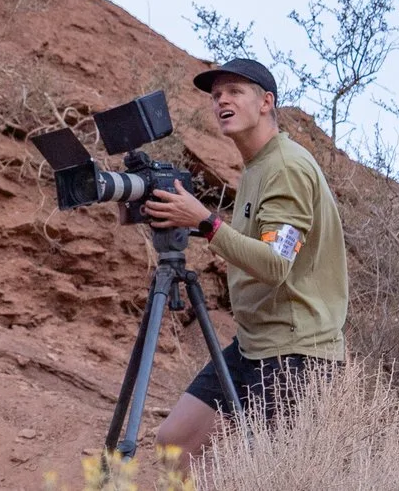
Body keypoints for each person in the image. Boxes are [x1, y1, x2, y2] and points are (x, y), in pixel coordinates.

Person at [144, 57, 348, 458]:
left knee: (274, 474)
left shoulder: (286, 167)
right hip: (254, 343)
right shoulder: (257, 166)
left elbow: (275, 263)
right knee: (175, 445)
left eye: (235, 91)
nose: (222, 100)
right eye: (217, 95)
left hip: (297, 352)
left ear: (265, 102)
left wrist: (204, 222)